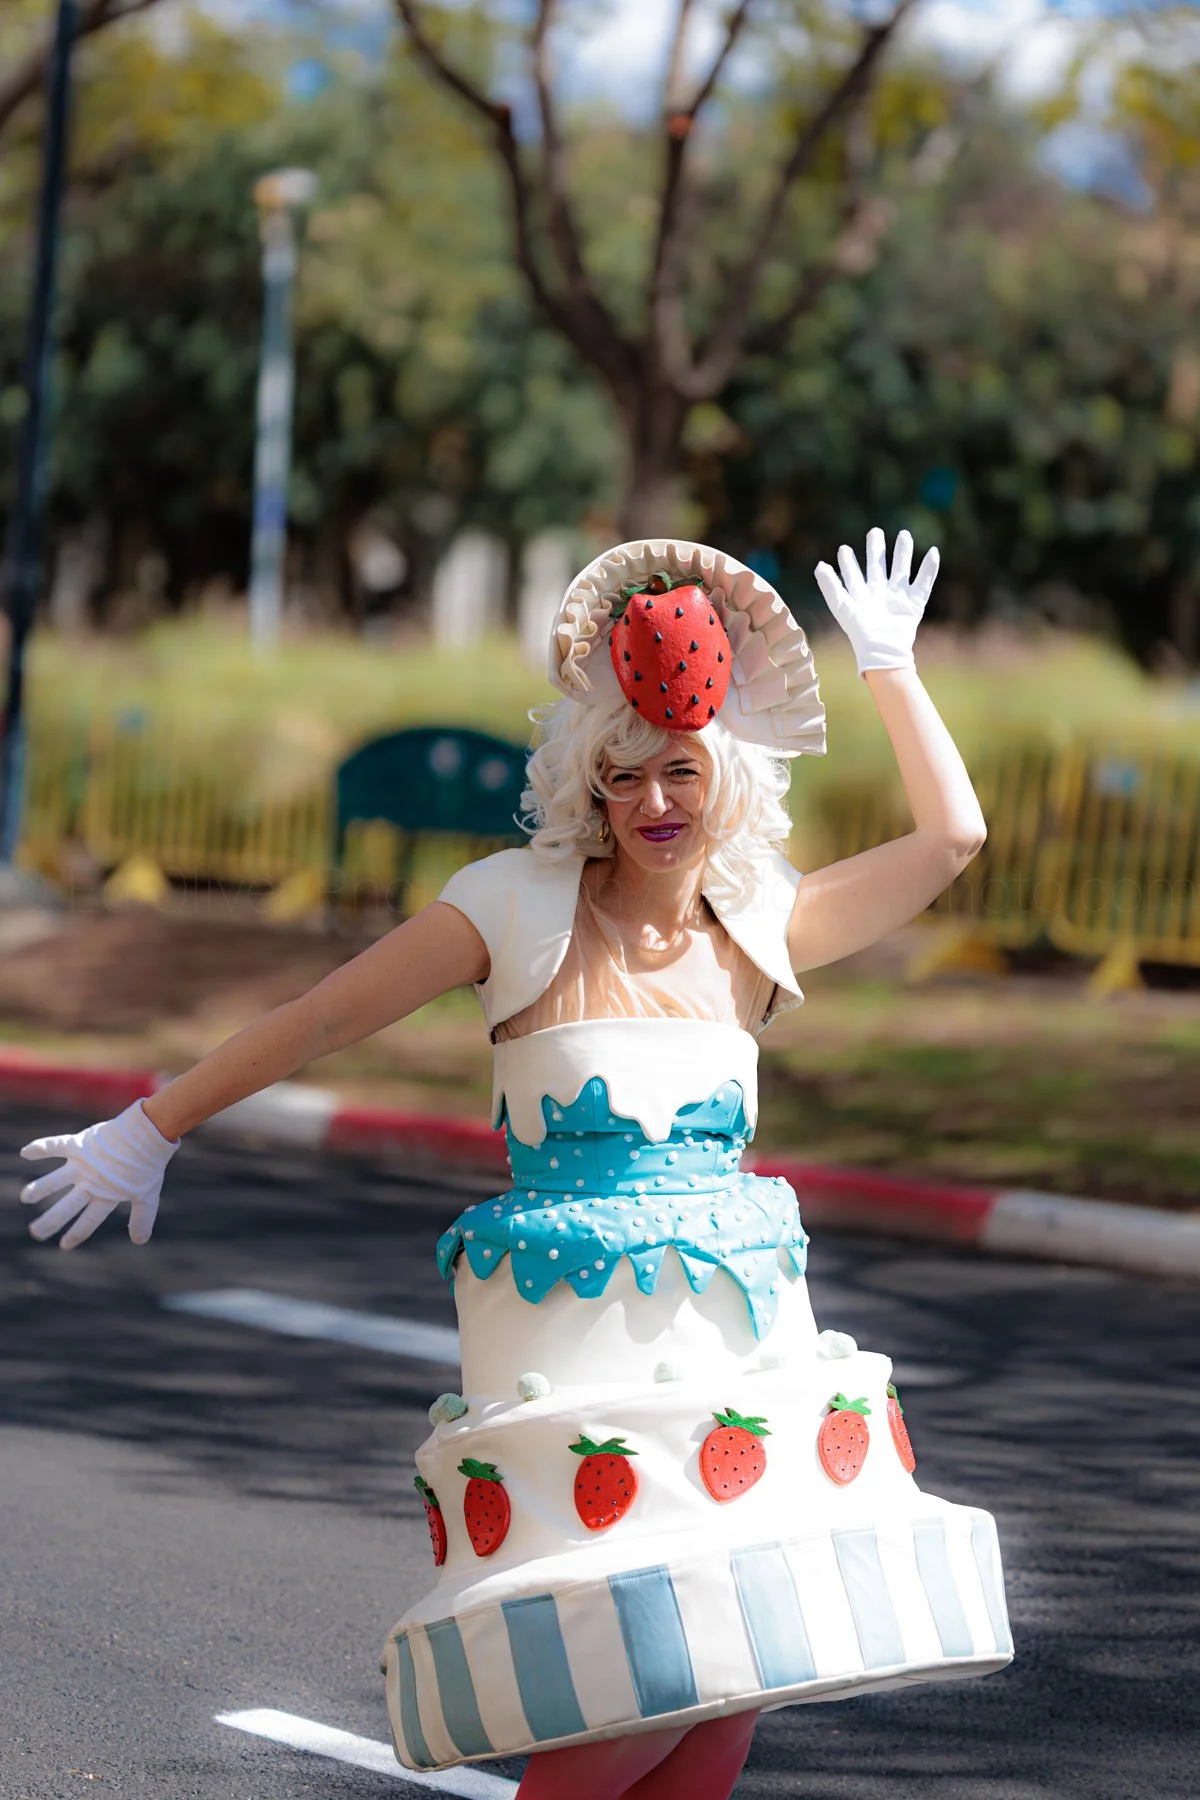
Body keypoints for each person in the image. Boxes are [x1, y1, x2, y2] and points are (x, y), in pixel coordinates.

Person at [19, 531, 1010, 1800]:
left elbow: (953, 837)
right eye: (624, 776)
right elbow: (323, 1017)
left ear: (729, 776)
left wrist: (889, 667)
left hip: (732, 1355)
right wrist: (155, 1124)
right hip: (574, 1365)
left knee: (722, 1702)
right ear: (588, 782)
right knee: (620, 1696)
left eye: (682, 771)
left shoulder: (763, 922)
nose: (655, 803)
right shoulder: (511, 904)